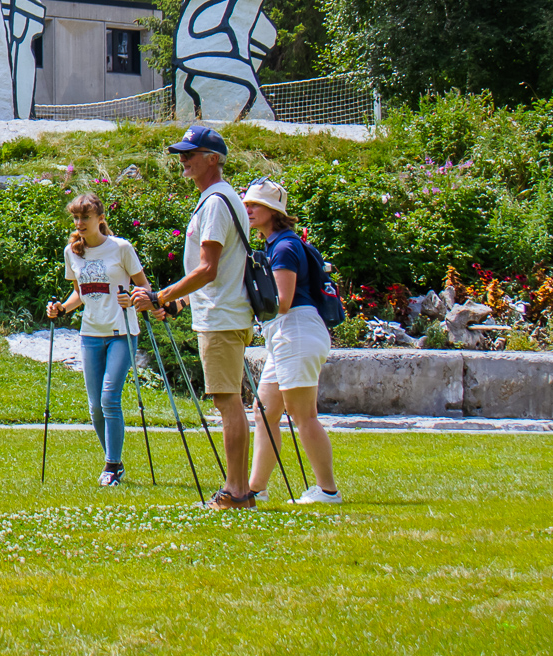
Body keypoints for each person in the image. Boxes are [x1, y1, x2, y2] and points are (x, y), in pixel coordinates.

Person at [135, 124, 253, 510]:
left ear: (213, 159)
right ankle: (237, 489)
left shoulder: (217, 201)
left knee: (228, 402)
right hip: (221, 313)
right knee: (228, 400)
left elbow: (208, 270)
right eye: (182, 153)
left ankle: (236, 492)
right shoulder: (217, 198)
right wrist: (178, 304)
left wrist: (161, 295)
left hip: (222, 318)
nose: (183, 159)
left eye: (190, 153)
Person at [240, 179, 340, 505]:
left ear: (274, 211)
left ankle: (328, 491)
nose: (249, 209)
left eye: (256, 204)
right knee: (264, 411)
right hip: (285, 335)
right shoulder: (276, 244)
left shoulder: (283, 247)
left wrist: (245, 303)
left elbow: (281, 301)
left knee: (303, 415)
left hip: (294, 331)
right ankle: (256, 489)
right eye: (247, 203)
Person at [46, 192, 148, 486]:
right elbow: (81, 292)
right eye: (76, 217)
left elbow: (144, 288)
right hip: (90, 333)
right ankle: (114, 463)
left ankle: (111, 465)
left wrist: (135, 300)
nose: (79, 223)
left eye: (85, 217)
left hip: (122, 332)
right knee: (94, 406)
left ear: (100, 219)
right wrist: (61, 308)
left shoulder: (121, 248)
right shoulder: (72, 252)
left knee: (109, 398)